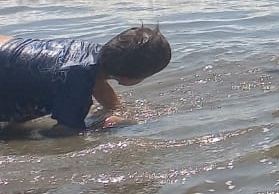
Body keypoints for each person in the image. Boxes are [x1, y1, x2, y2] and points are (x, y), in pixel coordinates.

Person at [0, 26, 171, 132]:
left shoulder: (91, 54)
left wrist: (115, 110)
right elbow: (64, 131)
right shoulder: (76, 83)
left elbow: (97, 83)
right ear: (127, 79)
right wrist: (100, 128)